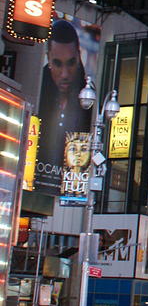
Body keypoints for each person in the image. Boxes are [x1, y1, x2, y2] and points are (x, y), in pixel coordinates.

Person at [35, 20, 92, 192]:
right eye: (58, 63)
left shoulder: (88, 93)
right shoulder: (39, 85)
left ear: (78, 55)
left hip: (69, 185)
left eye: (71, 62)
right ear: (48, 58)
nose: (65, 74)